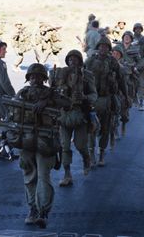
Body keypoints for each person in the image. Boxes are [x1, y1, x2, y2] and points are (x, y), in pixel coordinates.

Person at [12, 63, 71, 228]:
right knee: (30, 176)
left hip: (46, 142)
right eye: (32, 77)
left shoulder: (51, 94)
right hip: (27, 141)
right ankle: (32, 208)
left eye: (38, 76)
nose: (35, 79)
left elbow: (67, 103)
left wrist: (48, 100)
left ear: (44, 79)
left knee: (43, 177)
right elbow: (13, 112)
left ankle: (43, 211)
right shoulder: (22, 93)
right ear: (28, 79)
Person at [55, 50, 98, 186]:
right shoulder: (61, 74)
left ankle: (86, 159)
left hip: (80, 115)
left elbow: (94, 95)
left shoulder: (87, 76)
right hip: (64, 115)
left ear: (80, 61)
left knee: (80, 145)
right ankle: (67, 174)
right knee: (65, 147)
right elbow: (53, 92)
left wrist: (85, 97)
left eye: (76, 59)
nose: (73, 61)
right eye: (70, 59)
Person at [85, 37, 127, 166]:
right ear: (98, 47)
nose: (103, 49)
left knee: (105, 128)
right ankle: (92, 154)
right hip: (93, 99)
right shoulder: (90, 61)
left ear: (109, 49)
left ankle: (102, 153)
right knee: (91, 128)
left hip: (107, 99)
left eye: (106, 47)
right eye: (101, 46)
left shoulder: (113, 62)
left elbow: (121, 80)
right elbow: (83, 77)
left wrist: (125, 96)